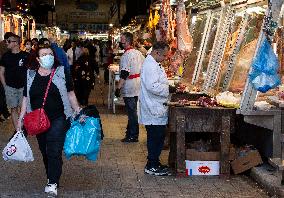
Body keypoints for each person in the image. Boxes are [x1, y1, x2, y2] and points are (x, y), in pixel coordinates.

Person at [16, 44, 81, 196]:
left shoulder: (62, 72)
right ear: (38, 59)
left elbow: (71, 94)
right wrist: (21, 118)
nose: (48, 57)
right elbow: (25, 98)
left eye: (50, 54)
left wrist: (77, 110)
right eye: (44, 54)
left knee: (53, 149)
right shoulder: (30, 74)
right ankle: (52, 173)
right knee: (44, 150)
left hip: (59, 117)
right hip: (38, 119)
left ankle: (52, 182)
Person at [139, 41, 170, 176]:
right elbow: (152, 86)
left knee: (158, 136)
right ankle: (151, 165)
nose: (165, 58)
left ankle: (155, 162)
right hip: (153, 107)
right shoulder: (150, 65)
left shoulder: (154, 63)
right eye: (164, 56)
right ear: (157, 52)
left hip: (156, 106)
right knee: (155, 137)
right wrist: (169, 88)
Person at [115, 32, 145, 143]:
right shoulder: (138, 53)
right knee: (132, 111)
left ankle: (133, 135)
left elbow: (124, 73)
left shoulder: (126, 56)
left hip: (130, 86)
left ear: (127, 41)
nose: (120, 41)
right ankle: (130, 133)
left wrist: (118, 87)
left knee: (132, 112)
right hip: (138, 84)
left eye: (122, 39)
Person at [0, 33, 29, 130]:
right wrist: (5, 87)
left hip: (23, 87)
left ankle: (23, 128)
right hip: (10, 87)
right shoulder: (5, 56)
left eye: (8, 41)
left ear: (16, 43)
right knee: (13, 108)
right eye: (6, 41)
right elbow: (1, 72)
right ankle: (17, 130)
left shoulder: (26, 56)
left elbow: (31, 72)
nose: (6, 43)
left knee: (23, 109)